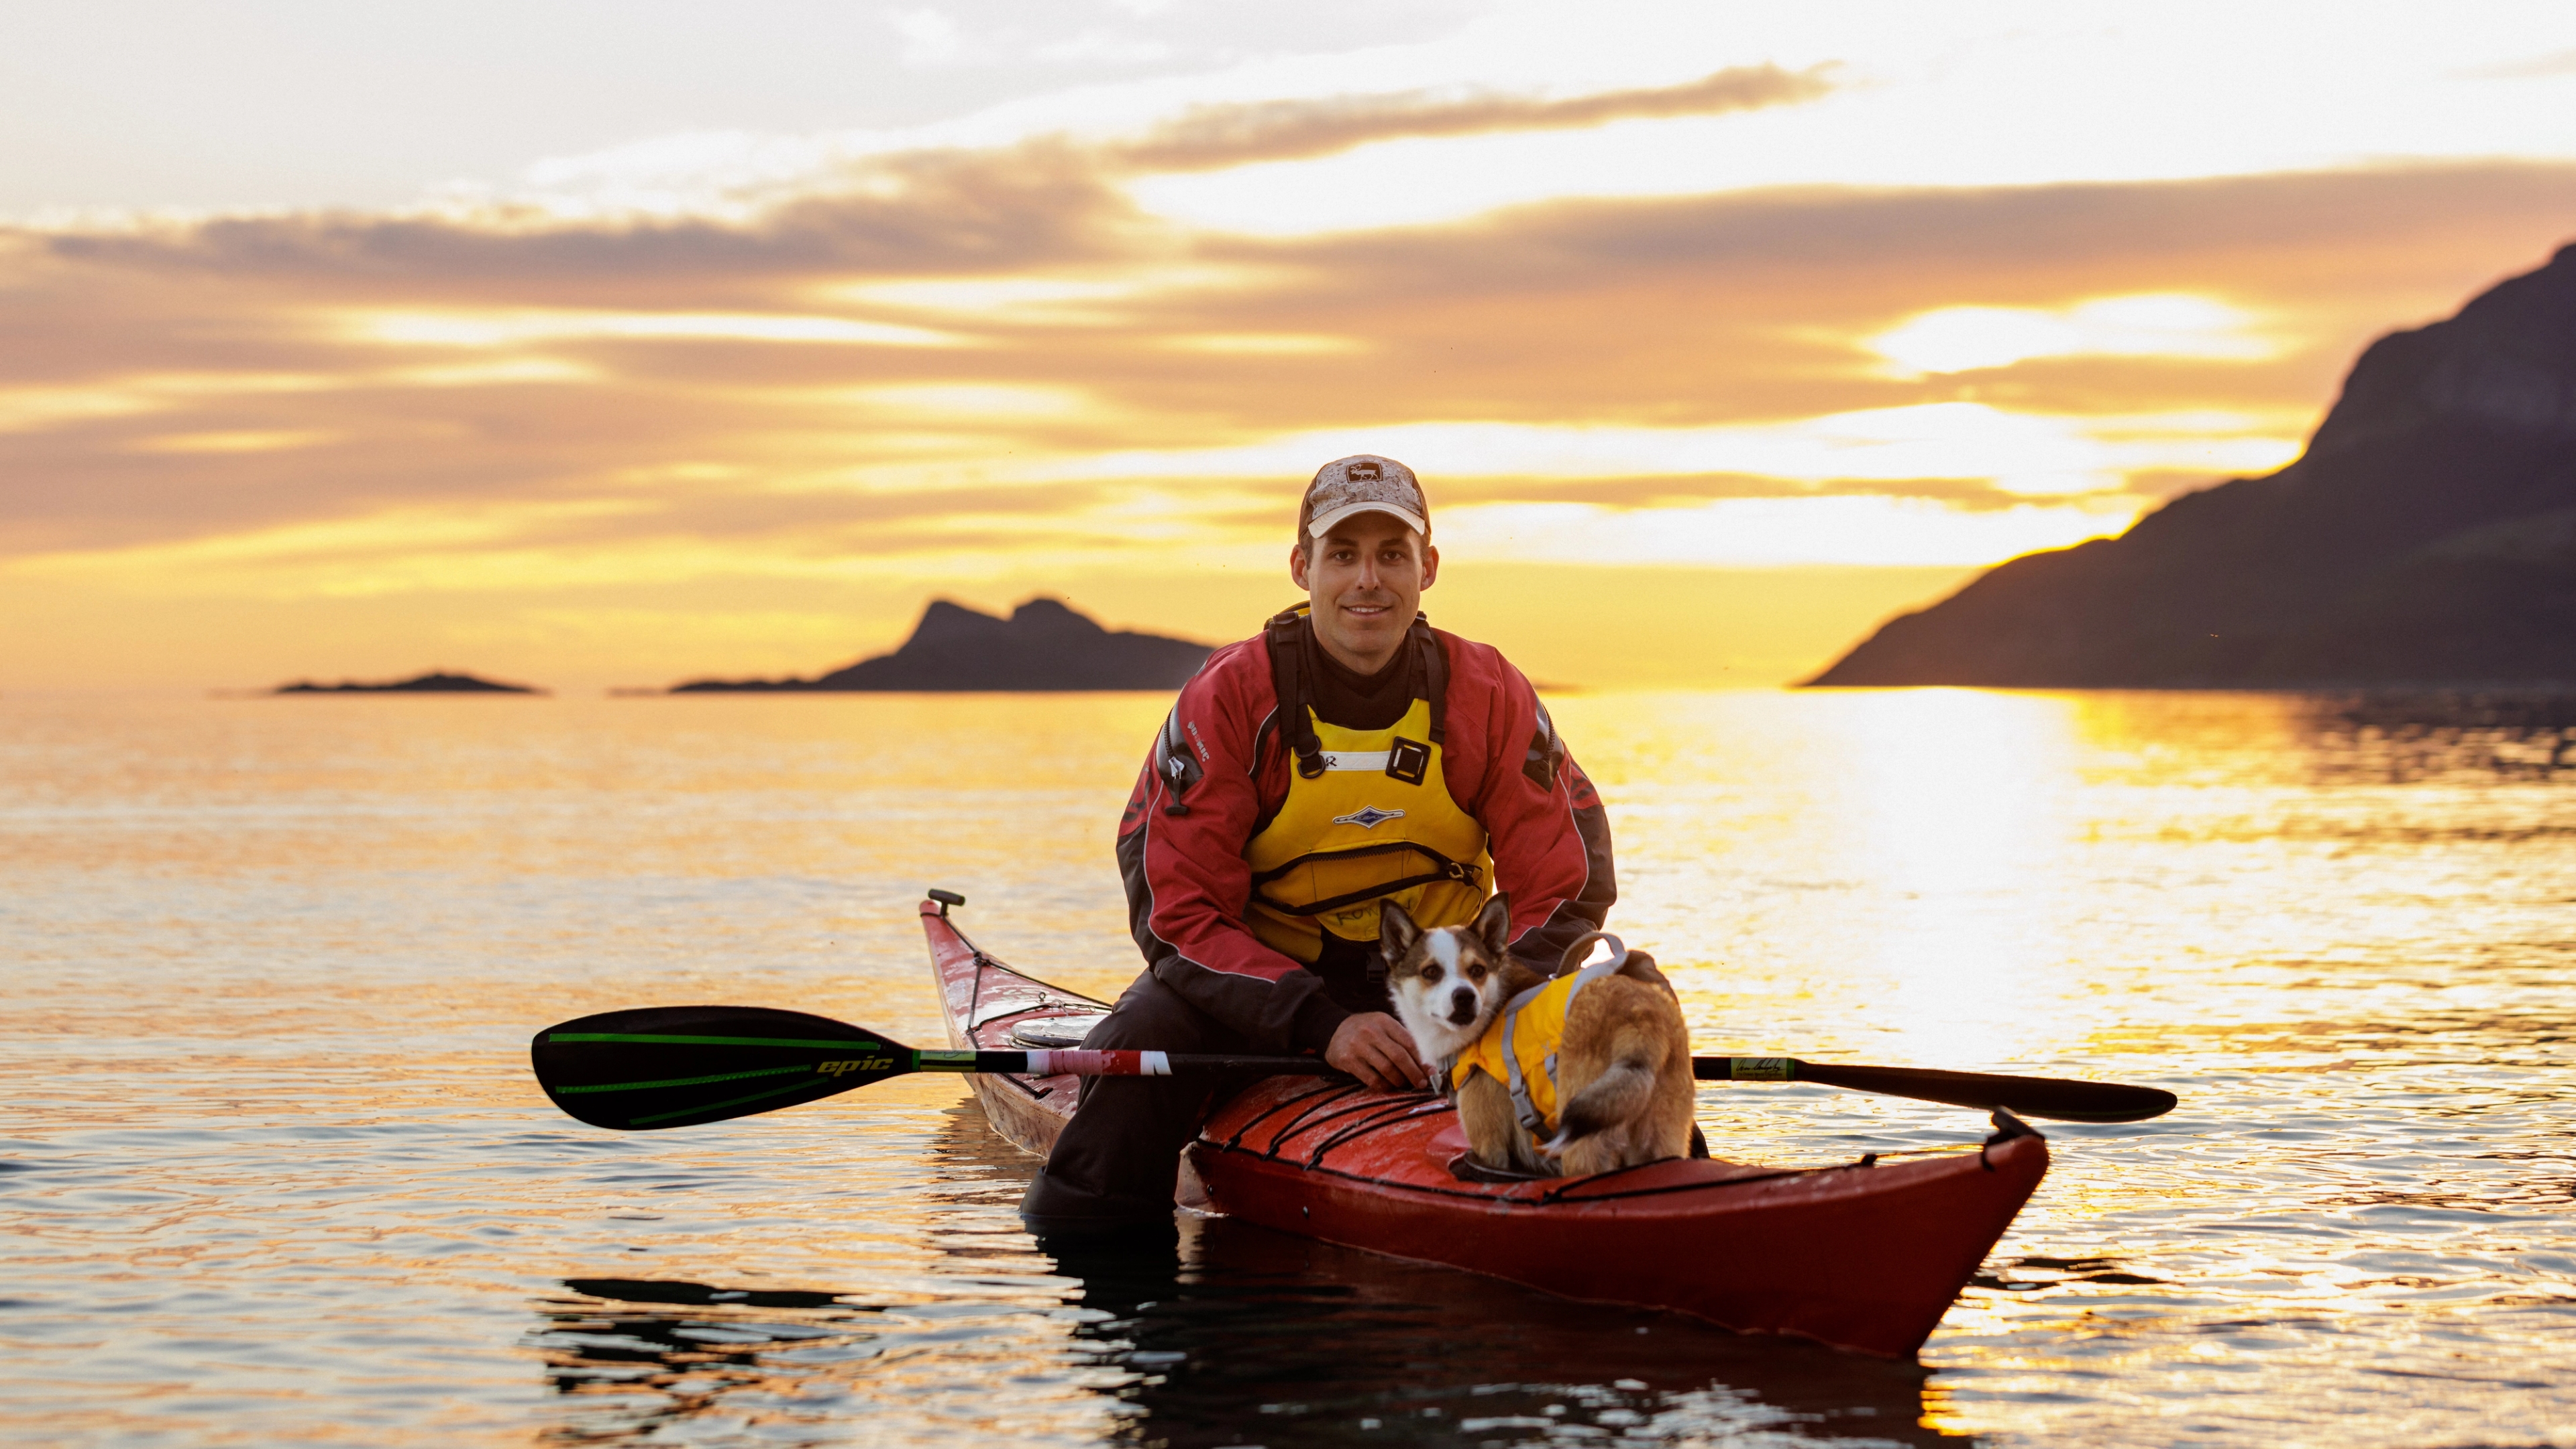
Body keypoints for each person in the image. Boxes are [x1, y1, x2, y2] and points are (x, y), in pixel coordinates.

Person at [1020, 454, 1617, 1234]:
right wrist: (1320, 1025)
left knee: (1606, 1031)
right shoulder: (1231, 697)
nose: (1367, 580)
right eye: (1343, 555)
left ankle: (1658, 1207)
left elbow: (1567, 885)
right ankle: (1099, 1279)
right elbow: (1178, 909)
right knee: (1141, 1048)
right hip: (1263, 996)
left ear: (1427, 568)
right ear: (1302, 566)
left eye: (1392, 555)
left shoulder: (1489, 693)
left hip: (1450, 990)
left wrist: (1471, 1006)